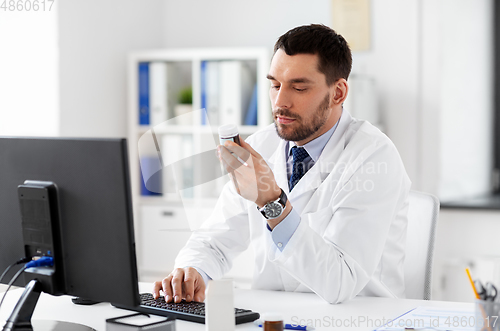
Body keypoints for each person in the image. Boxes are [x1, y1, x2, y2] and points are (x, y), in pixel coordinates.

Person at [153, 24, 411, 304]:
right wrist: (193, 270)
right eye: (274, 85)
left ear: (337, 93)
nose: (279, 102)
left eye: (298, 88)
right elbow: (215, 239)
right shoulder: (263, 144)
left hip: (357, 317)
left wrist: (270, 201)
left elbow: (340, 282)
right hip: (276, 315)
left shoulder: (373, 156)